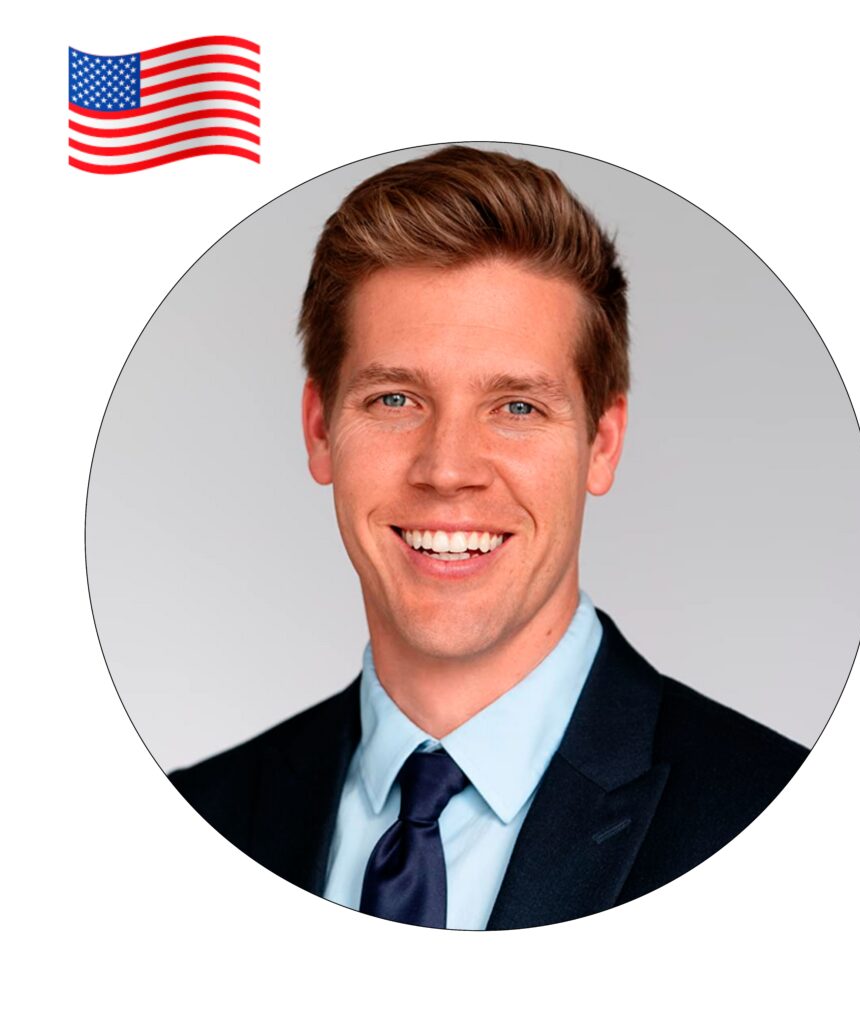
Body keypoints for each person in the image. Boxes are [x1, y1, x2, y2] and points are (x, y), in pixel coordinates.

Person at [170, 146, 807, 930]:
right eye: (395, 399)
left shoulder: (779, 820)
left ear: (603, 443)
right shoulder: (196, 818)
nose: (448, 470)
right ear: (320, 430)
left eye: (517, 408)